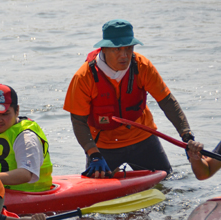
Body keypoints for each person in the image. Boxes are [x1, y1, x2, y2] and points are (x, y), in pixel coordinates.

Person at [63, 19, 193, 178]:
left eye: (129, 48)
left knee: (166, 183)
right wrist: (93, 153)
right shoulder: (84, 77)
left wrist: (187, 136)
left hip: (142, 139)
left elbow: (167, 102)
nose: (124, 55)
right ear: (104, 48)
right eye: (117, 49)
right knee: (97, 196)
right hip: (103, 147)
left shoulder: (142, 66)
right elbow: (78, 121)